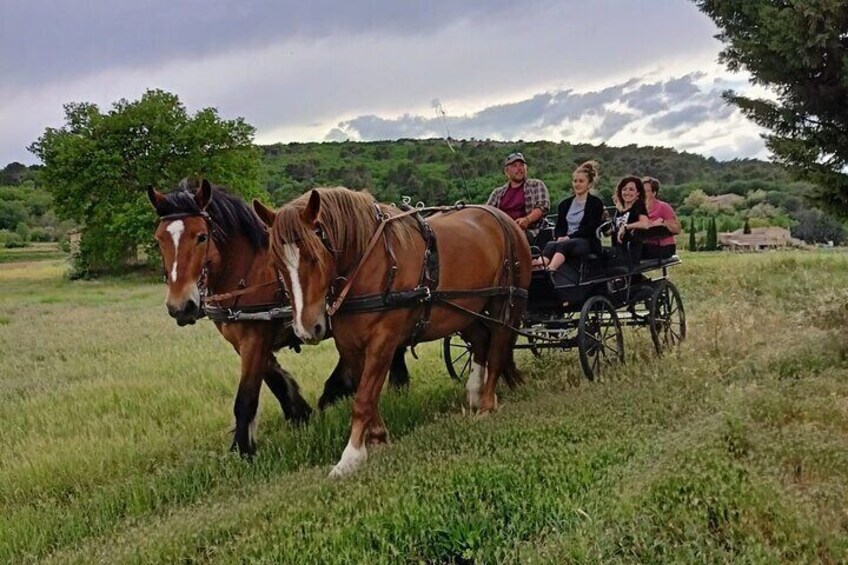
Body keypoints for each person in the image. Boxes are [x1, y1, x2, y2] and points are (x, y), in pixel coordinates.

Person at [537, 160, 605, 272]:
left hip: (586, 241)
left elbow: (590, 228)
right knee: (551, 244)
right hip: (566, 240)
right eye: (575, 181)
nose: (577, 184)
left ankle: (550, 270)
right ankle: (538, 267)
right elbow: (559, 227)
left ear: (589, 184)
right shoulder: (565, 204)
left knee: (564, 245)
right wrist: (559, 236)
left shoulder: (595, 203)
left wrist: (569, 237)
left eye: (581, 181)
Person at [486, 152, 550, 241]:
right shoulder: (497, 193)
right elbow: (487, 213)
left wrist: (527, 220)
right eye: (514, 166)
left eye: (521, 165)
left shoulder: (536, 185)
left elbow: (542, 207)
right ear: (506, 171)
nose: (519, 168)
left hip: (530, 231)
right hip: (501, 231)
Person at [608, 176, 652, 264]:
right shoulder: (619, 209)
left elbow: (645, 224)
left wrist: (626, 227)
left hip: (630, 252)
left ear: (638, 193)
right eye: (624, 189)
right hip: (617, 250)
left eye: (631, 189)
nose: (627, 192)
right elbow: (609, 232)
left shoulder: (638, 205)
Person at [641, 176, 681, 259]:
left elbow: (677, 229)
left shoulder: (663, 207)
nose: (643, 194)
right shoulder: (639, 209)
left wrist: (663, 222)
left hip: (664, 247)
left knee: (634, 253)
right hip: (646, 245)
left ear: (654, 193)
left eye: (647, 191)